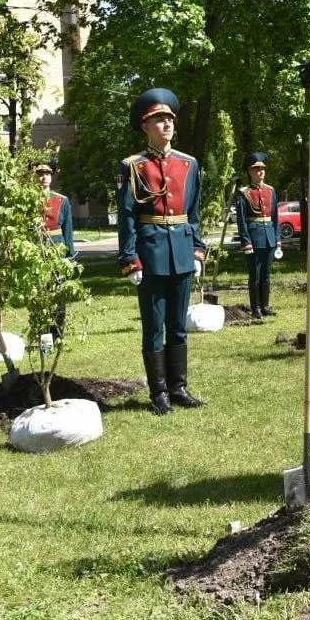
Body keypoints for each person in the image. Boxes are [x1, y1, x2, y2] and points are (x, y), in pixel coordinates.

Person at [118, 87, 207, 415]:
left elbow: (194, 211)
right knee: (154, 326)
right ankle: (159, 393)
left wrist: (197, 250)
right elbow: (127, 215)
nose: (166, 124)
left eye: (169, 118)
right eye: (159, 119)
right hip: (150, 254)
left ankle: (179, 387)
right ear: (145, 126)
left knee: (178, 324)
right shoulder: (133, 166)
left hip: (182, 251)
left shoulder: (189, 164)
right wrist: (130, 258)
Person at [235, 152, 281, 319]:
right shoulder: (243, 192)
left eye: (262, 169)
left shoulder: (270, 191)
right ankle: (255, 309)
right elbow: (241, 220)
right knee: (255, 274)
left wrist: (277, 239)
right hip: (254, 239)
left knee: (266, 274)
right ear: (250, 172)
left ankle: (265, 306)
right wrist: (246, 241)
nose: (260, 172)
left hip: (269, 237)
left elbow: (276, 217)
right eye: (256, 169)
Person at [36, 157, 75, 336]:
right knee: (40, 292)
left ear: (52, 176)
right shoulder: (27, 201)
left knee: (58, 291)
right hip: (36, 249)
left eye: (47, 173)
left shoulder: (62, 201)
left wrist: (69, 256)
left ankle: (57, 332)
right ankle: (43, 334)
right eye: (40, 173)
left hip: (57, 248)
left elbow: (68, 230)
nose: (44, 177)